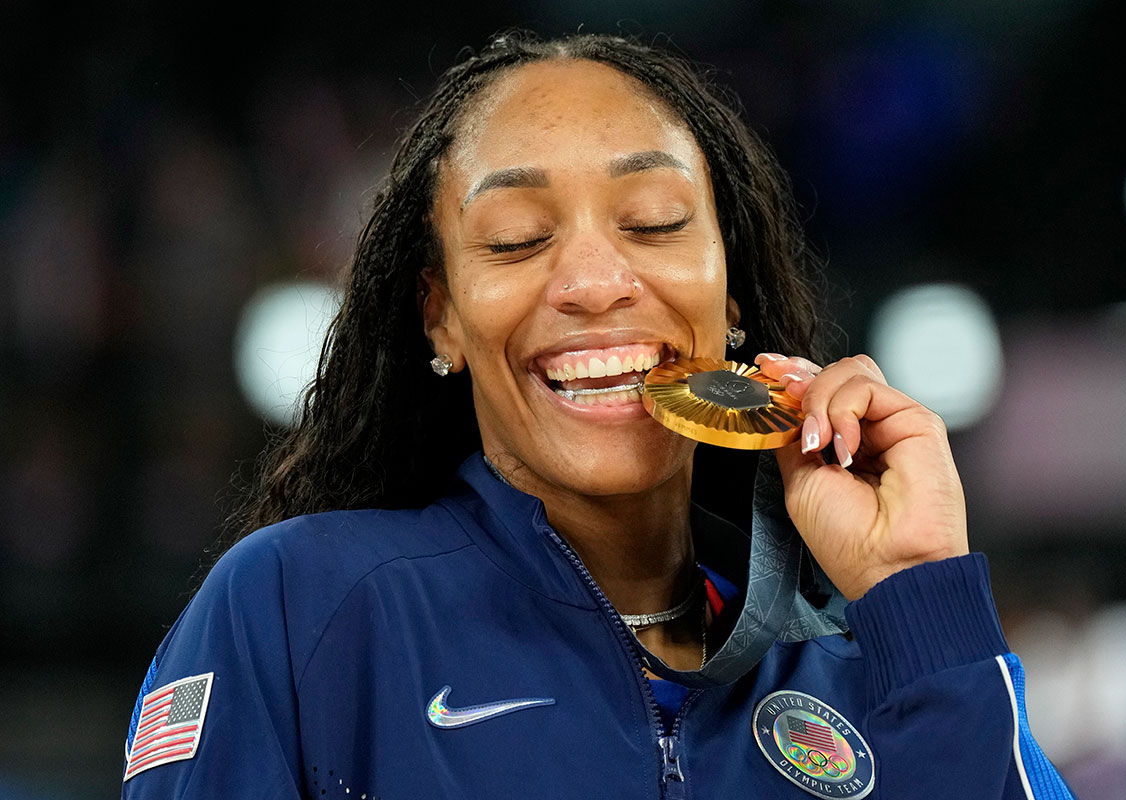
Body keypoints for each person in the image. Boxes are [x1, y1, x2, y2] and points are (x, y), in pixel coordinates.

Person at [120, 32, 1075, 799]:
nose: (591, 283)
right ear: (441, 317)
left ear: (729, 292)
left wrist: (917, 594)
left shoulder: (873, 662)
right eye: (517, 239)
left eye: (655, 222)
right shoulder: (304, 609)